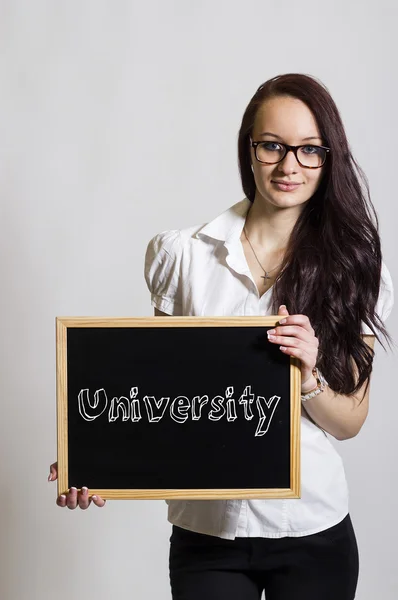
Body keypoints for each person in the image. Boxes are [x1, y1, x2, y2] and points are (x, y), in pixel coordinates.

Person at [49, 73, 394, 600]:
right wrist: (94, 457)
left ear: (329, 158)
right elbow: (162, 397)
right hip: (206, 532)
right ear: (249, 149)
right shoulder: (182, 256)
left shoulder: (358, 271)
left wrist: (308, 378)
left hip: (311, 530)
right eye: (273, 146)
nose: (288, 166)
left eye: (309, 150)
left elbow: (350, 422)